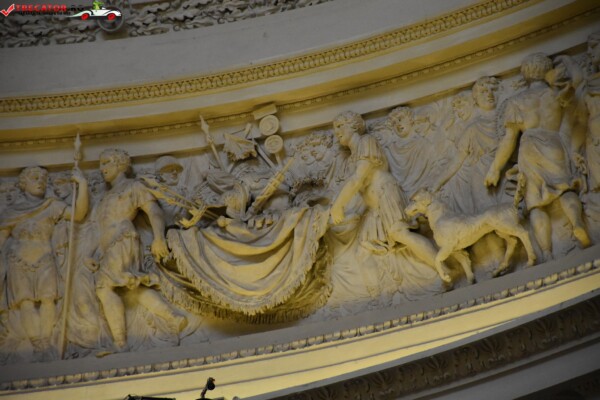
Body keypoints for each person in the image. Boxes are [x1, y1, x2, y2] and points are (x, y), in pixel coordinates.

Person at [485, 53, 591, 260]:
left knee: (534, 202)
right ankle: (577, 223)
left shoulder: (517, 102)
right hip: (554, 143)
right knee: (565, 188)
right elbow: (574, 119)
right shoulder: (555, 94)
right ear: (546, 70)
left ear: (526, 75)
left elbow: (509, 139)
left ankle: (547, 252)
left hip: (530, 147)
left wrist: (495, 168)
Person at [329, 111, 451, 282]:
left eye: (340, 126)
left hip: (386, 195)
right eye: (335, 128)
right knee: (362, 252)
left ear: (354, 126)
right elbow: (358, 191)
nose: (337, 132)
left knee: (400, 234)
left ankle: (443, 268)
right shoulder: (351, 159)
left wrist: (338, 205)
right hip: (373, 210)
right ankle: (378, 293)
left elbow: (357, 179)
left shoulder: (366, 142)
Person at [88, 149, 186, 350]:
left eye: (106, 162)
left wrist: (159, 238)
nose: (101, 168)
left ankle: (120, 343)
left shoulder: (133, 186)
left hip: (123, 239)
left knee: (104, 288)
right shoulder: (105, 197)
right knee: (131, 287)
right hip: (108, 247)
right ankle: (173, 317)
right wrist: (93, 254)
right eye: (101, 163)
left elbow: (154, 211)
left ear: (120, 164)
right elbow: (100, 229)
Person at [0, 166, 88, 358]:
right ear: (23, 184)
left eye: (43, 178)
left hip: (45, 258)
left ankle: (46, 343)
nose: (40, 181)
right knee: (25, 302)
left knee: (48, 299)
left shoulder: (51, 205)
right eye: (34, 177)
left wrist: (82, 183)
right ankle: (36, 344)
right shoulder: (12, 212)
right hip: (18, 261)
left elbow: (79, 214)